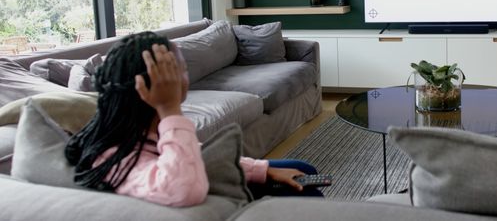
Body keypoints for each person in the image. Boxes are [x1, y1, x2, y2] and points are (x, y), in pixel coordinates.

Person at [65, 31, 322, 207]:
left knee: (302, 170)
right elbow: (183, 189)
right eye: (182, 70)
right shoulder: (114, 156)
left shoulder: (141, 128)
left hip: (204, 176)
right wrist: (170, 108)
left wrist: (265, 170)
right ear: (153, 85)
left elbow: (200, 154)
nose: (186, 77)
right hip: (208, 198)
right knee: (302, 185)